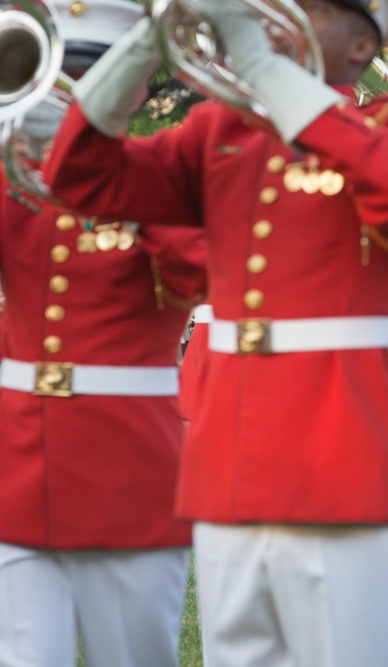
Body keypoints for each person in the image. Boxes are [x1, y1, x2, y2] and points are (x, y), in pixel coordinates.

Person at [43, 0, 388, 664]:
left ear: (360, 44)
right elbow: (79, 173)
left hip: (334, 457)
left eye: (310, 8)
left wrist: (265, 70)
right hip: (226, 461)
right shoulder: (218, 130)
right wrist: (145, 47)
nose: (273, 16)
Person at [0, 1, 208, 665]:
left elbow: (201, 270)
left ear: (137, 84)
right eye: (64, 70)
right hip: (19, 471)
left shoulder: (165, 174)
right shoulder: (15, 179)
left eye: (94, 71)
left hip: (129, 476)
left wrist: (112, 180)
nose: (73, 89)